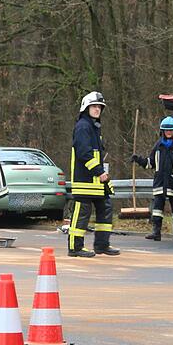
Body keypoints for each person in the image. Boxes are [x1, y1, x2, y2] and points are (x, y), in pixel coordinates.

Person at [68, 91, 120, 257]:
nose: (97, 109)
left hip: (96, 182)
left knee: (105, 208)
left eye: (99, 107)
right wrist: (99, 171)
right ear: (86, 108)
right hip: (85, 180)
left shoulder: (94, 127)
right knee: (82, 213)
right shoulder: (83, 126)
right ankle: (75, 247)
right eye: (94, 106)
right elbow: (84, 153)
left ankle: (102, 245)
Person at [131, 116, 173, 241]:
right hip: (160, 182)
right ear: (162, 131)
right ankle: (156, 232)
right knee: (157, 209)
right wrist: (139, 160)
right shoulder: (158, 145)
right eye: (166, 130)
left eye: (170, 130)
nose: (168, 132)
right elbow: (150, 163)